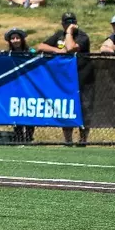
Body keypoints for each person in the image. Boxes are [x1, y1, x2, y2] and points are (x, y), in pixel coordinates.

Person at [38, 12, 92, 146]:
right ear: (62, 23)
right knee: (66, 109)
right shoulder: (58, 35)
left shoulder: (82, 36)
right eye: (66, 22)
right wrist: (57, 51)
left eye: (71, 22)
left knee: (83, 109)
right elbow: (41, 46)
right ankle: (68, 141)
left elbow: (70, 48)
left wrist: (69, 33)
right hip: (64, 80)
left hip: (82, 78)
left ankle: (83, 141)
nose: (69, 24)